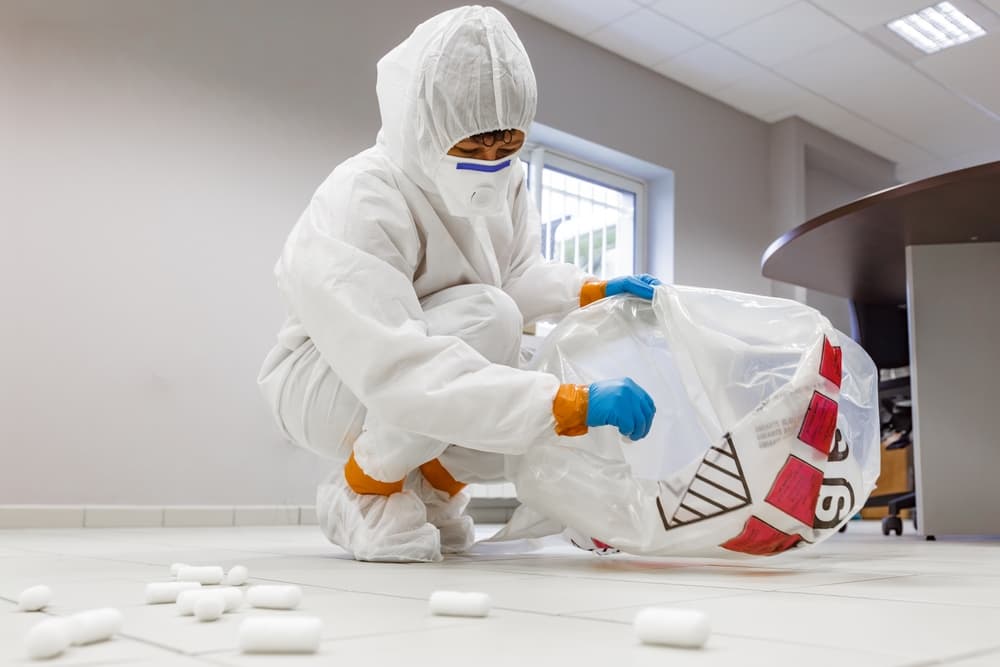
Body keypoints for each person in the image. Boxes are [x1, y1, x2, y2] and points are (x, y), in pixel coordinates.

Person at [257, 5, 660, 563]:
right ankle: (365, 488)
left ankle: (433, 487)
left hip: (432, 350)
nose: (491, 165)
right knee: (496, 330)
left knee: (529, 379)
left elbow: (515, 275)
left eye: (507, 148)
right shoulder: (363, 195)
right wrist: (566, 404)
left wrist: (593, 290)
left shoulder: (508, 181)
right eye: (471, 149)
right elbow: (396, 361)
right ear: (422, 127)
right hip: (327, 380)